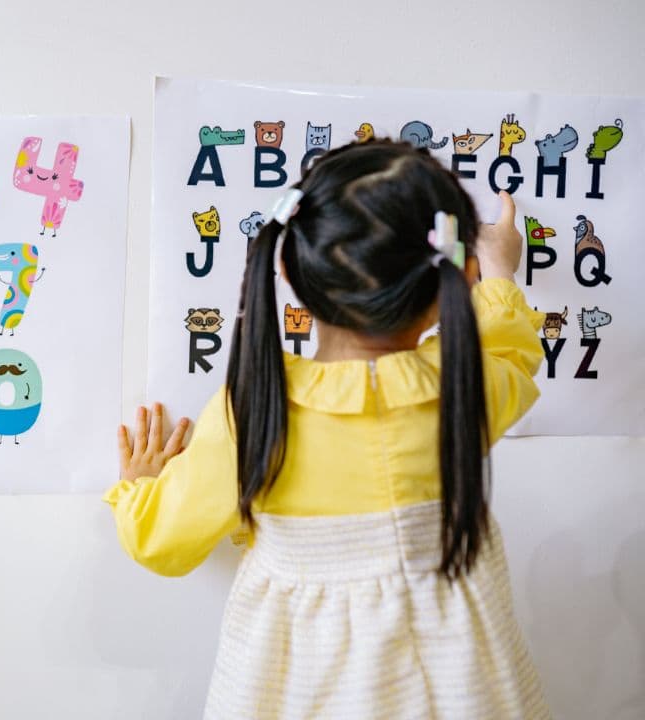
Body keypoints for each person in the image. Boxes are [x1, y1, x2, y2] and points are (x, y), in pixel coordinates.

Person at [104, 139, 552, 719]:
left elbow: (160, 541)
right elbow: (511, 351)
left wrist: (139, 489)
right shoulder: (463, 387)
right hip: (460, 687)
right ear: (452, 281)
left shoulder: (256, 410)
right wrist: (498, 271)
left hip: (301, 689)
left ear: (288, 269)